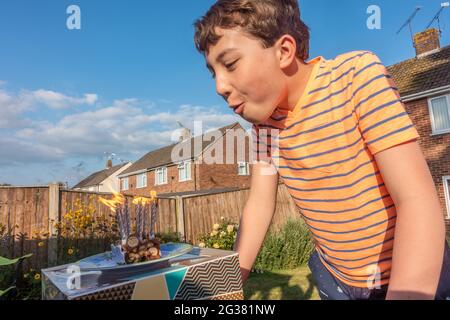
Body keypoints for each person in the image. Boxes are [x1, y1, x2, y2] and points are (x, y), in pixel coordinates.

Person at [193, 0, 449, 300]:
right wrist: (226, 290)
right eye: (214, 73)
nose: (219, 87)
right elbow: (260, 205)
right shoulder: (264, 128)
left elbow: (416, 200)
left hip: (412, 277)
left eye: (231, 64)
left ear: (284, 52)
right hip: (336, 281)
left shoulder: (356, 78)